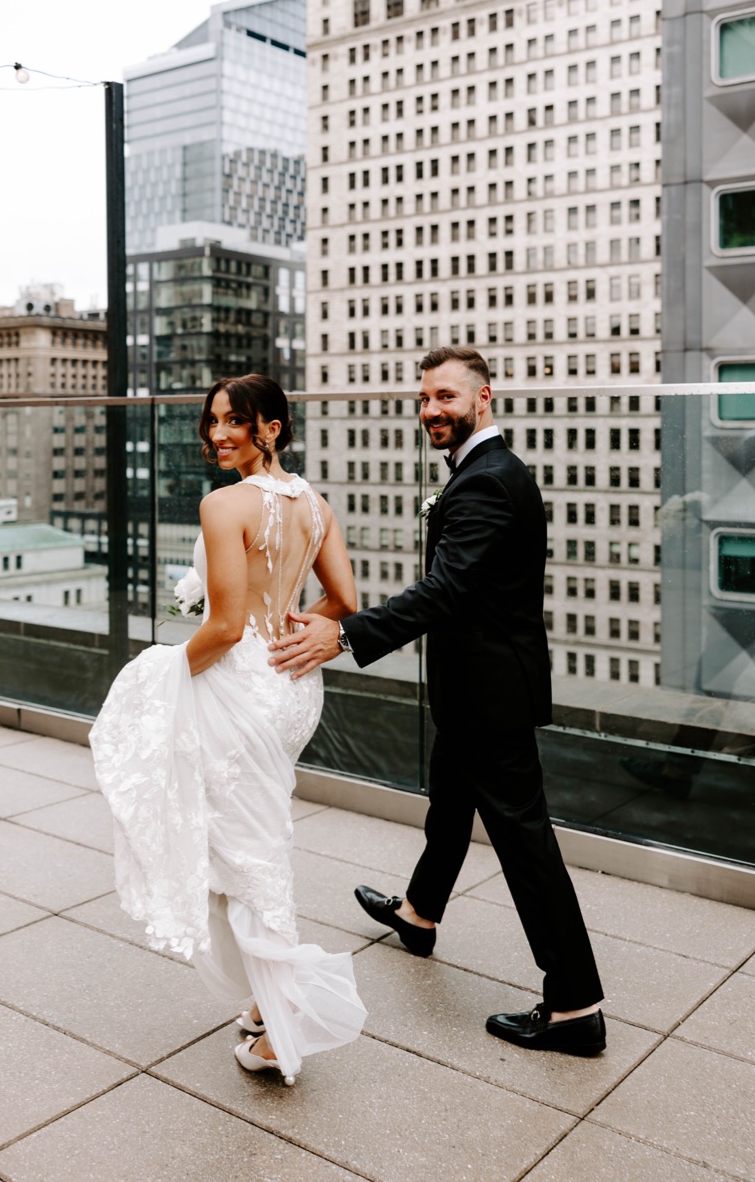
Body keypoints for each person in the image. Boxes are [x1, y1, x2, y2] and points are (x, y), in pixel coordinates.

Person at [270, 347, 608, 1056]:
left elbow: (446, 591)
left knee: (524, 840)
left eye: (447, 398)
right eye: (425, 398)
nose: (432, 410)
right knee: (450, 804)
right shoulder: (486, 473)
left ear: (485, 398)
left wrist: (347, 635)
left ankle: (576, 1005)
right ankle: (420, 916)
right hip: (475, 685)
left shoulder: (486, 483)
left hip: (490, 694)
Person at [91, 375, 367, 1086]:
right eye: (212, 422)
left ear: (271, 427)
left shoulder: (222, 505)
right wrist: (304, 629)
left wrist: (161, 673)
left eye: (234, 422)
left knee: (247, 857)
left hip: (240, 688)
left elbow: (221, 626)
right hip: (294, 688)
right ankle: (263, 998)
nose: (218, 435)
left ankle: (283, 1025)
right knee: (251, 842)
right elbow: (344, 602)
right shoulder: (315, 502)